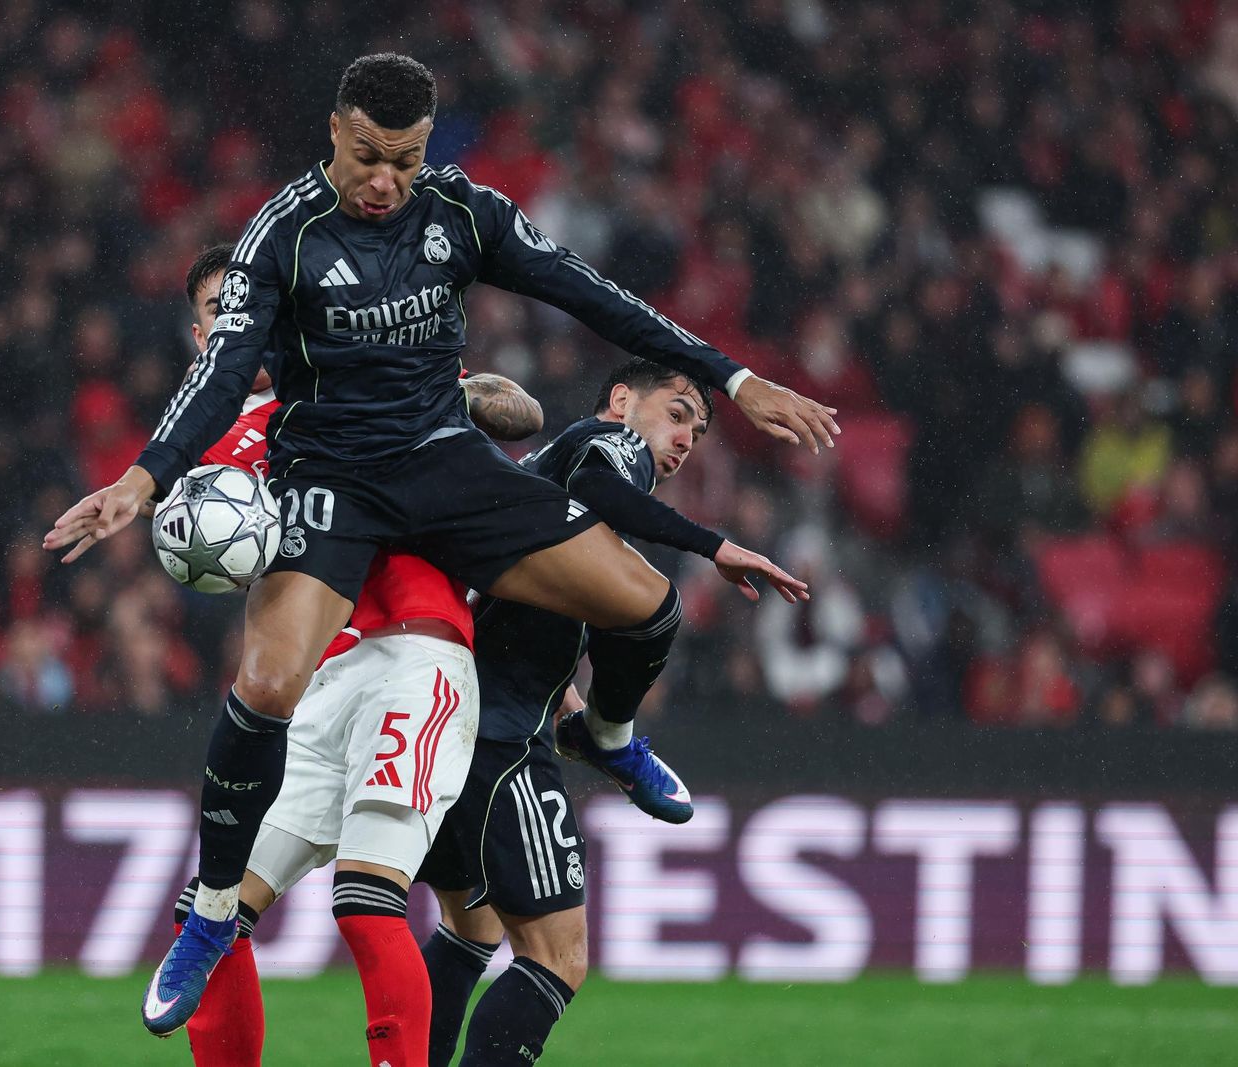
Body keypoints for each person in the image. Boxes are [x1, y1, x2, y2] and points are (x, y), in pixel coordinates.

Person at [45, 53, 833, 1034]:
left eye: (406, 160)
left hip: (444, 465)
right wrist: (142, 478)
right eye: (369, 157)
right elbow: (223, 369)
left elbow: (593, 295)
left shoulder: (459, 212)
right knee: (268, 683)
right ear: (335, 133)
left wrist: (736, 378)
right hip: (333, 477)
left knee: (647, 605)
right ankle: (210, 912)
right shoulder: (282, 237)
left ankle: (604, 734)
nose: (386, 181)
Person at [154, 244, 539, 1067]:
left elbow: (523, 415)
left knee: (365, 900)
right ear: (202, 338)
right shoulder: (211, 454)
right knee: (208, 912)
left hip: (416, 657)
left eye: (254, 304)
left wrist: (454, 393)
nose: (243, 321)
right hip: (315, 689)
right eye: (223, 311)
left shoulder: (365, 380)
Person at [419, 358, 796, 1065]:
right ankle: (607, 736)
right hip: (498, 741)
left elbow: (515, 626)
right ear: (621, 400)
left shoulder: (547, 477)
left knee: (472, 927)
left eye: (698, 433)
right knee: (557, 958)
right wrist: (713, 546)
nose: (684, 440)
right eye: (676, 415)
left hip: (441, 717)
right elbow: (601, 485)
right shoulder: (608, 445)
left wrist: (562, 698)